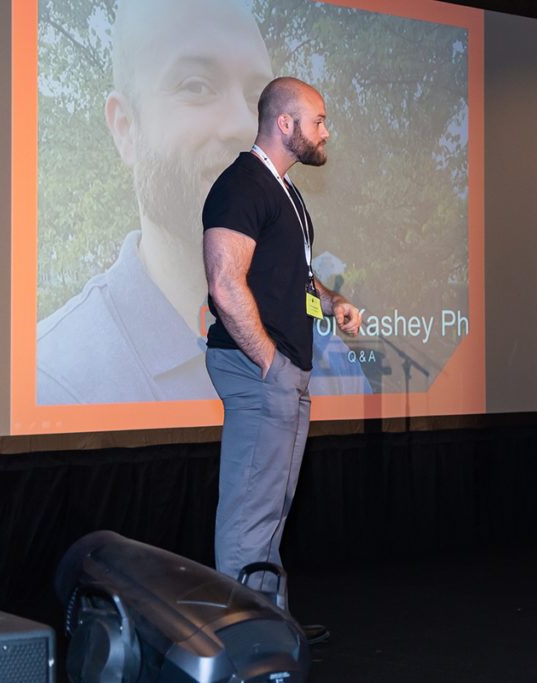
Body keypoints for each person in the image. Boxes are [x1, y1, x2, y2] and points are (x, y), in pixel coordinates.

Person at [35, 0, 369, 404]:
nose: (243, 125)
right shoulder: (55, 381)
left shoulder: (328, 362)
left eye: (258, 99)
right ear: (125, 129)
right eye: (195, 86)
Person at [203, 77, 358, 600]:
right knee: (251, 515)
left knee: (270, 512)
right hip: (260, 371)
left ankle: (268, 626)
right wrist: (269, 363)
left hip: (285, 374)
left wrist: (332, 303)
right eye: (319, 121)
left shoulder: (286, 192)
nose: (326, 132)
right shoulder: (242, 185)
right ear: (285, 124)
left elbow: (296, 278)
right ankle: (240, 635)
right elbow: (225, 285)